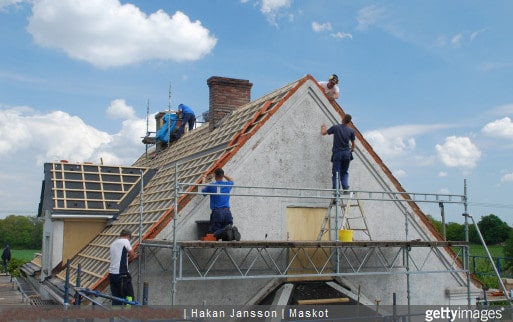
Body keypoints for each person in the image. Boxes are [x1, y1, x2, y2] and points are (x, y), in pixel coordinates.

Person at [321, 114, 356, 192]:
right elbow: (353, 144)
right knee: (344, 172)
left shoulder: (336, 127)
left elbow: (323, 133)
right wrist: (352, 149)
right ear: (349, 122)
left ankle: (336, 190)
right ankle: (345, 187)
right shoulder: (351, 131)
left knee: (336, 173)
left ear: (342, 119)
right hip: (347, 154)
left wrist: (323, 128)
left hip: (337, 154)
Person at [201, 168, 237, 239]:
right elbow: (232, 180)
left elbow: (203, 192)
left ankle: (227, 229)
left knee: (213, 233)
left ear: (215, 175)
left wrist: (203, 179)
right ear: (222, 176)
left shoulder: (212, 186)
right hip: (227, 212)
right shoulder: (227, 184)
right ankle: (231, 231)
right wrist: (224, 175)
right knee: (226, 236)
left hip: (217, 212)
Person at [109, 229, 137, 305]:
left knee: (116, 298)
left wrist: (126, 258)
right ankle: (128, 314)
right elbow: (132, 254)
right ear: (128, 236)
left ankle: (116, 316)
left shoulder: (113, 243)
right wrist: (132, 257)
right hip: (122, 274)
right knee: (129, 296)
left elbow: (118, 257)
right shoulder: (125, 241)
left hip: (112, 274)